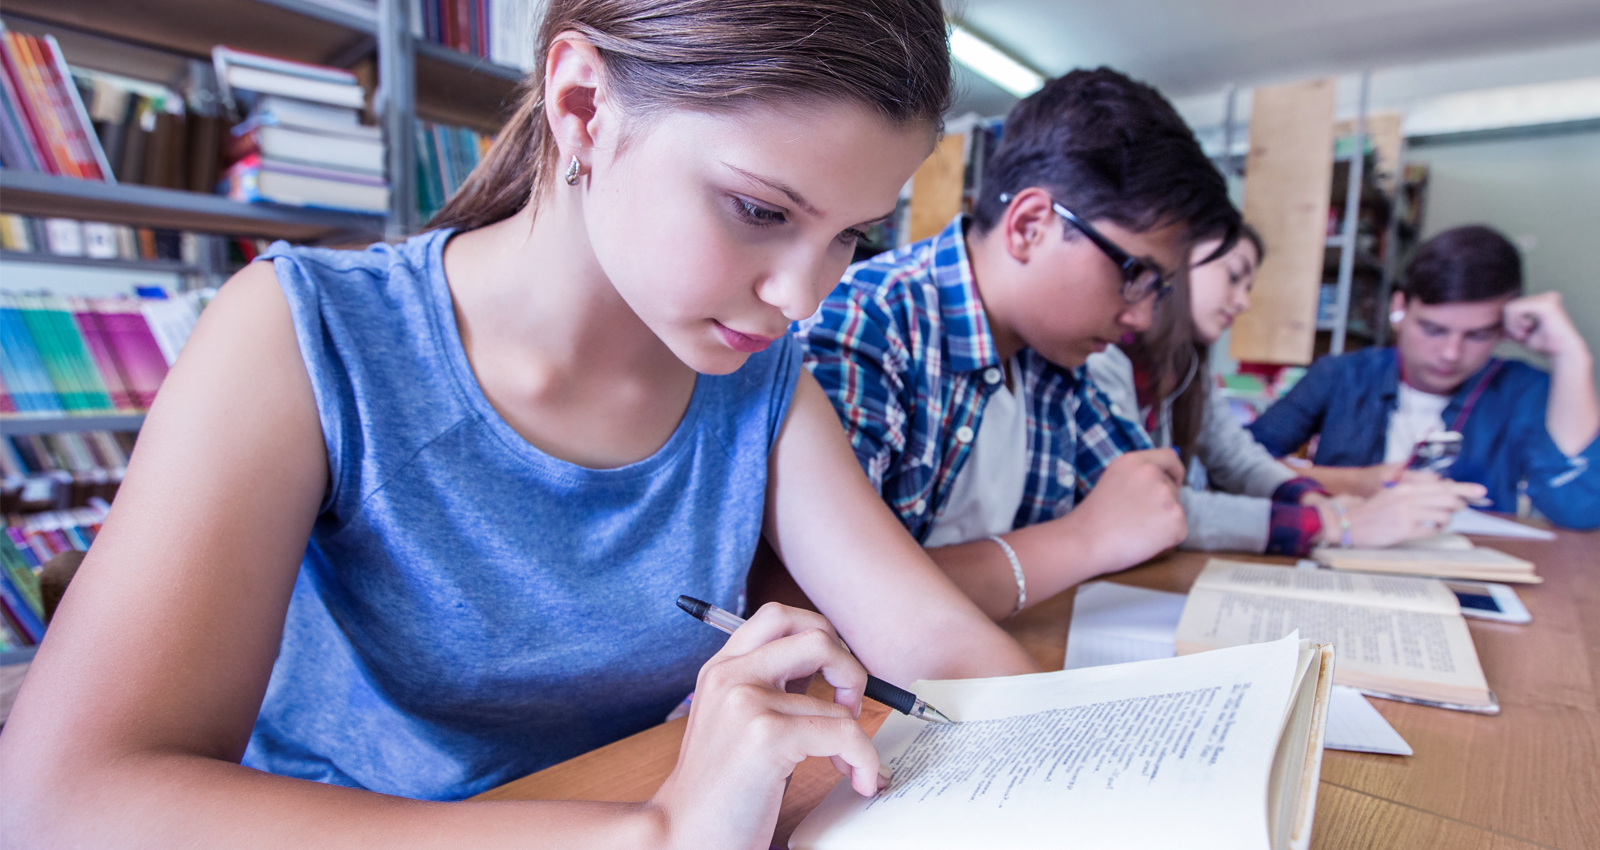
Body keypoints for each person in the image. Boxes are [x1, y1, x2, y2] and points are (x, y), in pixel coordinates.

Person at [0, 2, 1041, 846]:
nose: (803, 294)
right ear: (583, 103)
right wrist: (653, 833)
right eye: (762, 211)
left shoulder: (758, 376)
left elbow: (930, 635)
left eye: (847, 236)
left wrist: (1090, 765)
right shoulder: (303, 332)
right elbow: (58, 804)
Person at [798, 68, 1232, 622]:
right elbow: (814, 597)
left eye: (1158, 289)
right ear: (1030, 226)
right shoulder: (867, 322)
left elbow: (1149, 505)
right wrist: (1082, 540)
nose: (1142, 315)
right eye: (1134, 273)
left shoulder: (1054, 359)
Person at [1088, 225, 1485, 555]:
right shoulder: (1104, 358)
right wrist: (1333, 522)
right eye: (1234, 275)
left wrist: (1315, 501)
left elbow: (1239, 458)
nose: (1243, 302)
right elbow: (1149, 506)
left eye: (1477, 335)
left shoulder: (1187, 366)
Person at [1249, 225, 1600, 530]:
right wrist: (1360, 483)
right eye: (1432, 329)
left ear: (1505, 330)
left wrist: (1572, 356)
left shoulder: (1523, 390)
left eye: (1477, 335)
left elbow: (1580, 511)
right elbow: (1236, 466)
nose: (1450, 353)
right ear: (1399, 308)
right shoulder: (1341, 374)